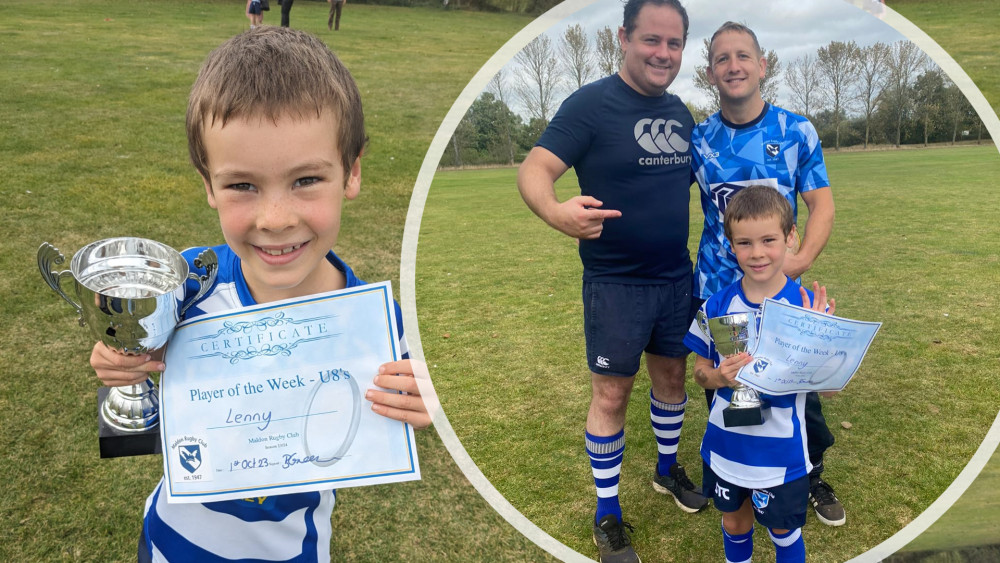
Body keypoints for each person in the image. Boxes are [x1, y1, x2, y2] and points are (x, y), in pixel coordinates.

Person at [88, 27, 432, 562]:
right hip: (170, 547)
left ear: (352, 172)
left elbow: (415, 401)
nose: (275, 219)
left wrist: (423, 399)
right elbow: (138, 370)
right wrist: (120, 359)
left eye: (306, 180)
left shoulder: (377, 326)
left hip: (294, 552)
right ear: (208, 185)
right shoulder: (186, 286)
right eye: (242, 186)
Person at [517, 1, 707, 561]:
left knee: (672, 379)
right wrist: (556, 213)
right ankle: (608, 513)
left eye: (674, 44)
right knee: (612, 394)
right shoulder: (591, 105)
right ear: (623, 37)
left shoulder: (681, 114)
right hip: (616, 285)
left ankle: (668, 471)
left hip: (677, 279)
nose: (663, 54)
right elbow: (535, 169)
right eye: (652, 40)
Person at [690, 21, 845, 527]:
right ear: (711, 72)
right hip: (721, 290)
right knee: (739, 395)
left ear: (762, 64)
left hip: (779, 292)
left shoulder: (796, 130)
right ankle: (743, 485)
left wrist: (799, 263)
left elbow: (821, 204)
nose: (733, 66)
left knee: (796, 388)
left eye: (742, 56)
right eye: (721, 58)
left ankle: (809, 474)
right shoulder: (700, 139)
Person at [684, 185, 837, 563]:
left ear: (790, 238)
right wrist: (719, 377)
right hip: (727, 448)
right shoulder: (717, 306)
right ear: (731, 245)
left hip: (781, 454)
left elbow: (830, 390)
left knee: (784, 530)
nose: (757, 253)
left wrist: (820, 341)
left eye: (768, 240)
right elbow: (699, 373)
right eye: (745, 243)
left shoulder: (804, 306)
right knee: (735, 525)